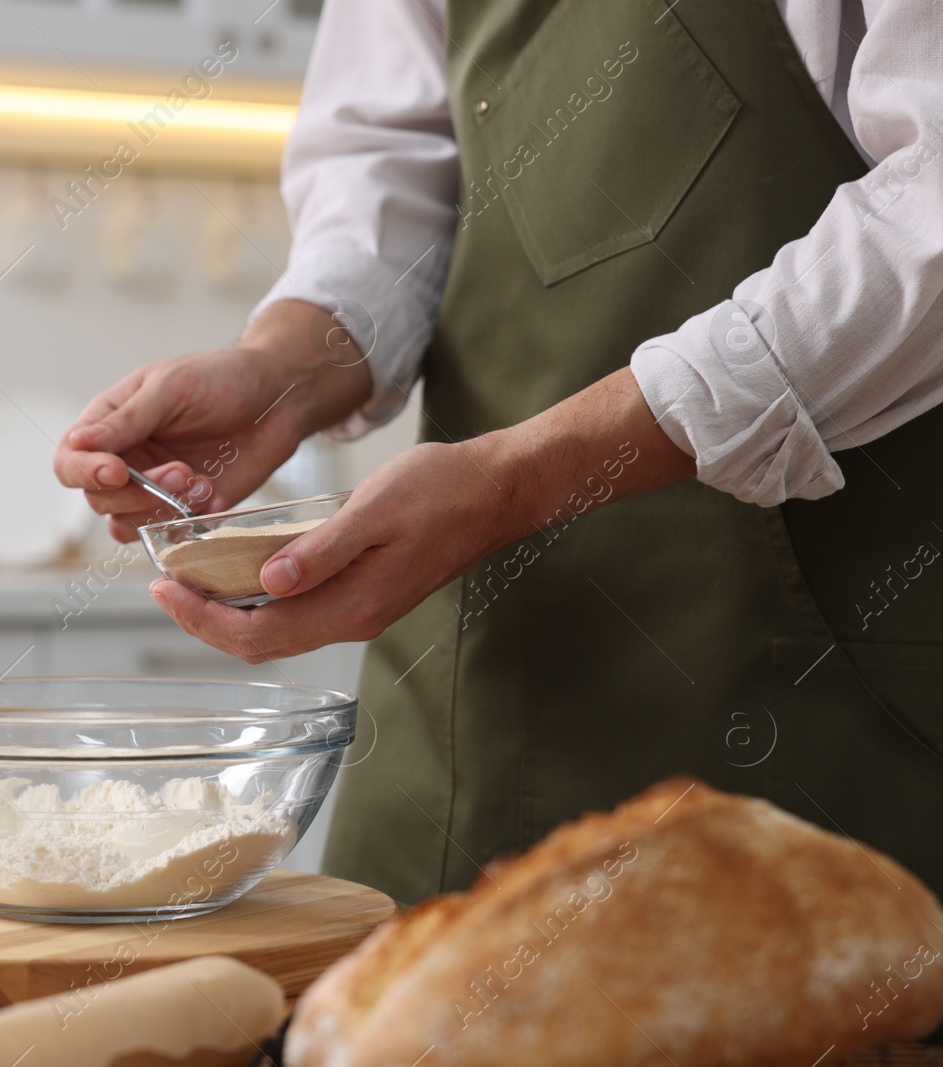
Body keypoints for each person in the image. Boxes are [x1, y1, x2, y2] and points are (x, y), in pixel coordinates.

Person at [56, 0, 943, 904]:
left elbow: (932, 213)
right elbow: (384, 160)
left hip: (813, 686)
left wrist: (516, 480)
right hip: (457, 702)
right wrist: (283, 368)